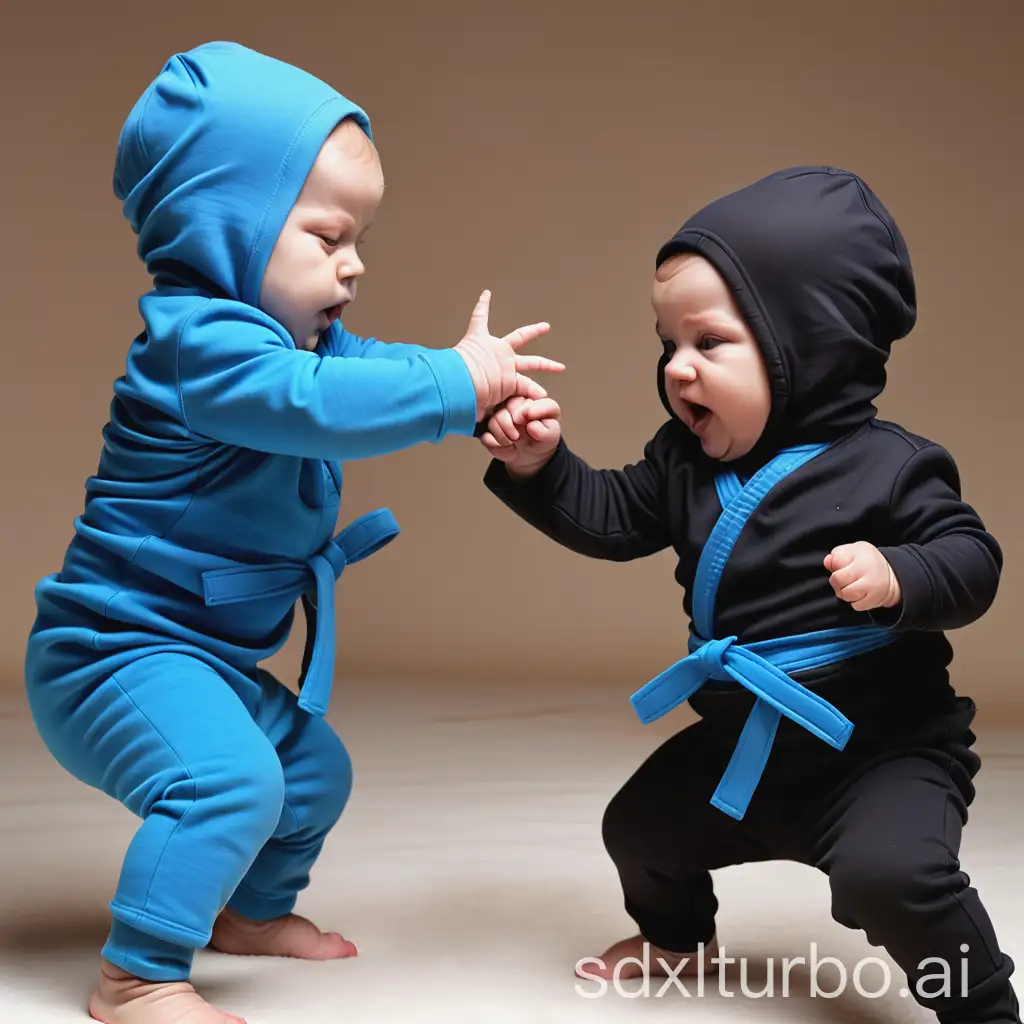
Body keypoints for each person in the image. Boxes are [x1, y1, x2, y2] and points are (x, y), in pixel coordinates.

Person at [25, 41, 561, 1024]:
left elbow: (363, 373)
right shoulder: (200, 349)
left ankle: (244, 911)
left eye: (359, 236)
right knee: (229, 782)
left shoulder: (292, 337)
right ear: (223, 224)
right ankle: (137, 974)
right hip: (111, 654)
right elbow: (310, 404)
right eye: (327, 235)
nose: (354, 262)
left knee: (312, 774)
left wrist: (484, 400)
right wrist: (454, 384)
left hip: (199, 653)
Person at [478, 166, 1017, 1023]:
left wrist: (900, 575)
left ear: (810, 344)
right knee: (641, 829)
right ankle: (677, 938)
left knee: (897, 876)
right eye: (667, 345)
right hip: (751, 751)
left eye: (709, 343)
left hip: (880, 752)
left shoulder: (891, 464)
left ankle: (983, 1003)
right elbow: (613, 519)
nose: (677, 369)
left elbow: (973, 559)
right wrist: (539, 466)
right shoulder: (684, 461)